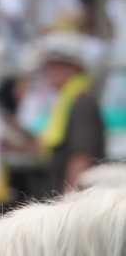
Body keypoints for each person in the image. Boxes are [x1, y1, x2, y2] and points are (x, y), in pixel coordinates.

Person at [39, 33, 105, 194]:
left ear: (76, 67)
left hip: (74, 204)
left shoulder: (83, 102)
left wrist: (68, 205)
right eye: (48, 64)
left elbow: (81, 158)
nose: (50, 70)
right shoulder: (65, 100)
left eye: (59, 64)